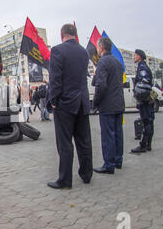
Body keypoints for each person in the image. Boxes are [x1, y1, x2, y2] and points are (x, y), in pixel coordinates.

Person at [47, 24, 93, 190]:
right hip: (82, 102)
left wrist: (53, 99)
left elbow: (55, 78)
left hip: (65, 103)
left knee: (65, 142)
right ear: (75, 34)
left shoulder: (57, 50)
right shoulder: (83, 51)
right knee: (84, 140)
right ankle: (86, 174)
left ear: (62, 35)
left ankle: (65, 180)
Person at [92, 38, 125, 174]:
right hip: (118, 103)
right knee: (118, 133)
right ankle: (118, 160)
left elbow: (101, 85)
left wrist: (95, 102)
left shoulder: (103, 62)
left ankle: (109, 164)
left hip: (107, 105)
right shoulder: (117, 62)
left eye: (97, 47)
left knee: (108, 135)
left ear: (101, 47)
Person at [131, 50, 155, 153]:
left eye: (135, 55)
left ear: (139, 56)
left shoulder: (142, 67)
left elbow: (144, 85)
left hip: (144, 100)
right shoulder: (143, 66)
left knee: (146, 121)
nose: (134, 57)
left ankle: (144, 145)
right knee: (149, 121)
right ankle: (148, 144)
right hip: (147, 99)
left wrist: (139, 97)